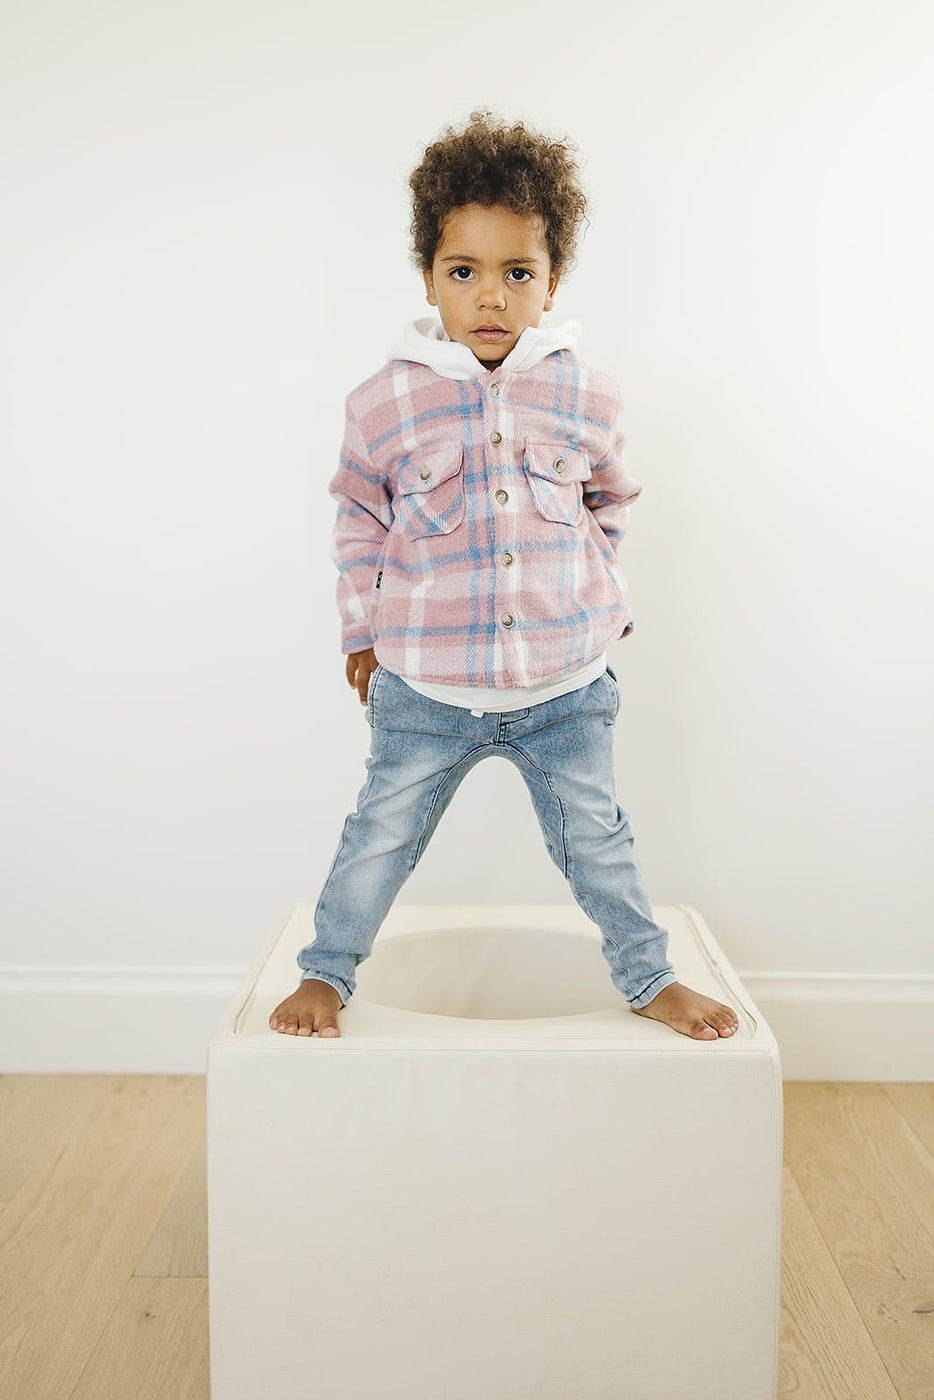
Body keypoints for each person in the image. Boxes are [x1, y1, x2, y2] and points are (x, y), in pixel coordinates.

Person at [270, 108, 738, 1042]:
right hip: (425, 687)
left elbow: (612, 497)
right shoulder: (384, 401)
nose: (491, 296)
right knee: (380, 838)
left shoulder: (586, 392)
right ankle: (326, 974)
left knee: (600, 844)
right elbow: (360, 520)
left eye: (516, 273)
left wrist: (598, 600)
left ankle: (647, 977)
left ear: (551, 281)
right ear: (431, 280)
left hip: (567, 688)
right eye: (465, 272)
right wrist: (360, 631)